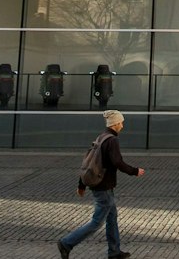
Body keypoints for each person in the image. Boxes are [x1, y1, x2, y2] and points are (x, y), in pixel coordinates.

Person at [59, 109, 144, 259]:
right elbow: (117, 162)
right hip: (103, 186)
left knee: (112, 218)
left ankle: (114, 251)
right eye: (121, 123)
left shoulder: (101, 137)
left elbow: (88, 162)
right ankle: (66, 243)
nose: (122, 126)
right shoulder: (112, 140)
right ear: (115, 123)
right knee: (97, 222)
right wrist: (134, 171)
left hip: (103, 185)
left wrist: (81, 185)